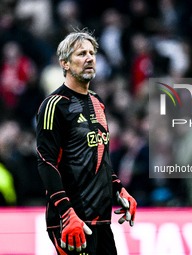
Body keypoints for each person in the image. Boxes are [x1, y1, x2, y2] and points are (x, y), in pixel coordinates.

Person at [36, 28, 137, 255]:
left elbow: (101, 160)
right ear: (65, 64)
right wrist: (66, 212)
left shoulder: (97, 102)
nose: (90, 58)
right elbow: (46, 162)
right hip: (72, 221)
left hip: (102, 222)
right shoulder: (54, 105)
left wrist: (119, 190)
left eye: (92, 53)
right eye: (81, 54)